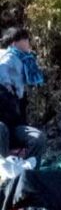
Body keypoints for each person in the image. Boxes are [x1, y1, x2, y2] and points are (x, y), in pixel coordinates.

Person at [0, 27, 47, 162]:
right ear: (14, 42)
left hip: (13, 124)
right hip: (2, 125)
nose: (28, 42)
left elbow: (18, 114)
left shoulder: (23, 59)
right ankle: (5, 169)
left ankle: (28, 171)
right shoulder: (10, 57)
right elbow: (2, 67)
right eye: (24, 39)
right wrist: (7, 84)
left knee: (38, 137)